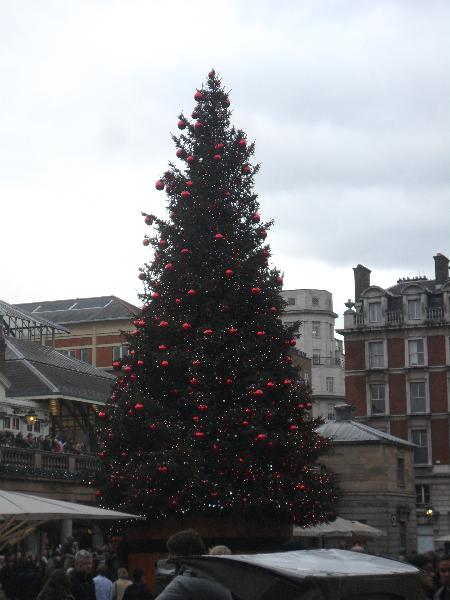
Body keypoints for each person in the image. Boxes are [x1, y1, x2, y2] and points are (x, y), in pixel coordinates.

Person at [156, 529, 232, 600]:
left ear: (181, 555)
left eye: (172, 553)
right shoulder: (219, 579)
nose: (169, 558)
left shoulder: (184, 583)